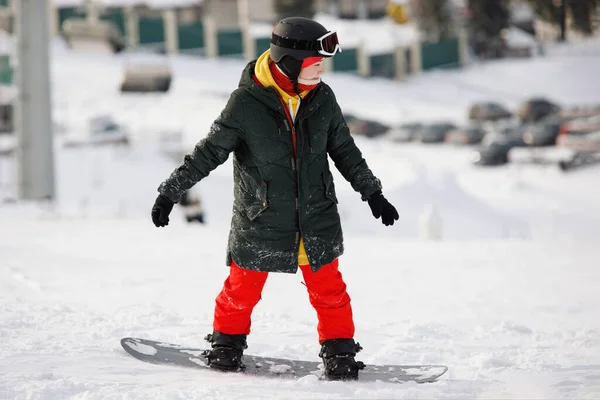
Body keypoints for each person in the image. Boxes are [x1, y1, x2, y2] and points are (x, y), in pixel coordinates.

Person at [151, 17, 399, 381]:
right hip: (261, 218)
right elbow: (208, 153)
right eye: (315, 65)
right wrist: (170, 191)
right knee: (241, 290)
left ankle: (340, 351)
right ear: (289, 63)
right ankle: (226, 344)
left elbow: (345, 150)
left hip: (316, 217)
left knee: (330, 290)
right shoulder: (245, 104)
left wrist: (372, 192)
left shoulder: (322, 98)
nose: (320, 72)